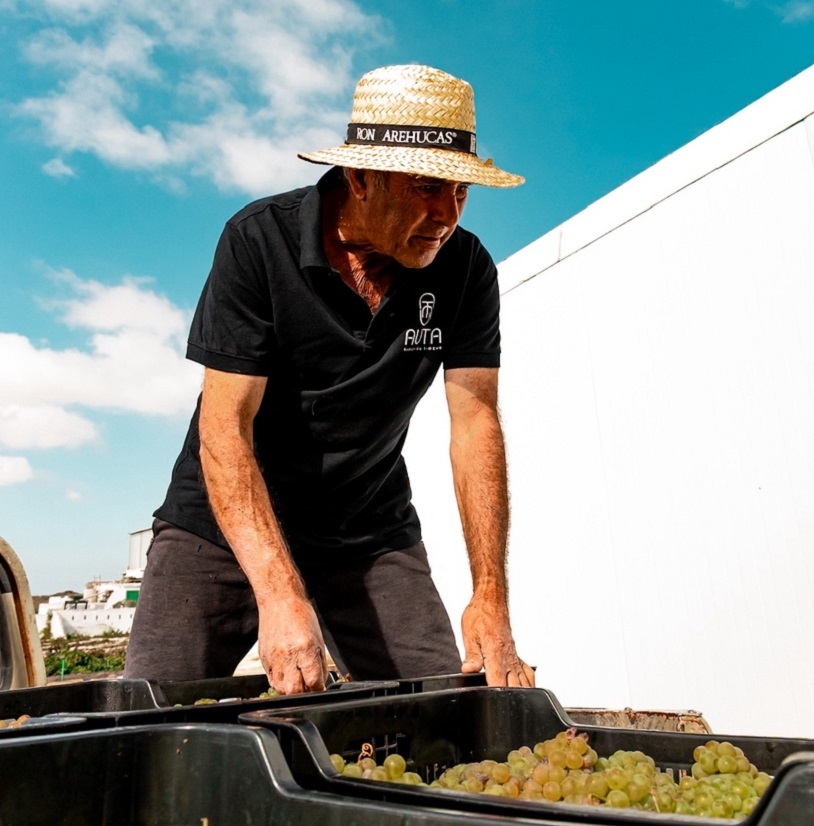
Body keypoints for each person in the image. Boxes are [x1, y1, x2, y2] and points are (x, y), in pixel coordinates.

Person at [125, 63, 534, 695]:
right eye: (427, 186)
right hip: (221, 527)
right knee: (147, 726)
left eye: (460, 191)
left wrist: (490, 596)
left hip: (369, 532)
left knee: (443, 721)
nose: (446, 214)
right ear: (361, 176)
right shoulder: (257, 242)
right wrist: (280, 592)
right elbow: (224, 428)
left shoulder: (466, 270)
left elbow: (475, 421)